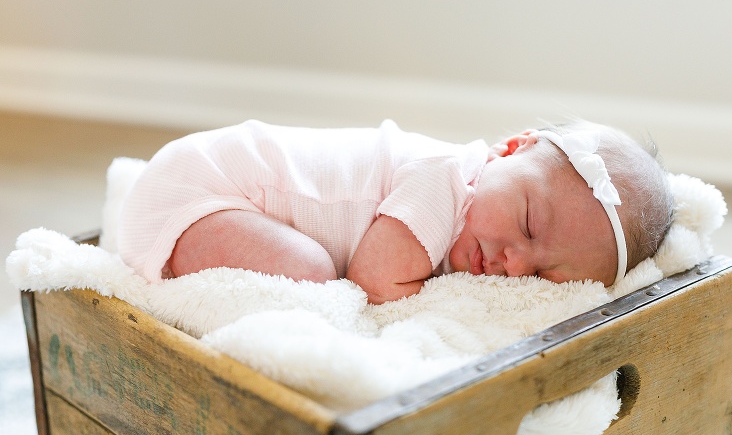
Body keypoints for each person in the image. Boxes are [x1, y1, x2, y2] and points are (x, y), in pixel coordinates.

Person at [118, 118, 673, 304]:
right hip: (198, 188)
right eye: (528, 226)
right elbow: (374, 282)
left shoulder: (485, 221)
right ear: (509, 149)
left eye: (549, 272)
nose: (516, 263)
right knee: (312, 275)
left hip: (205, 189)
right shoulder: (444, 177)